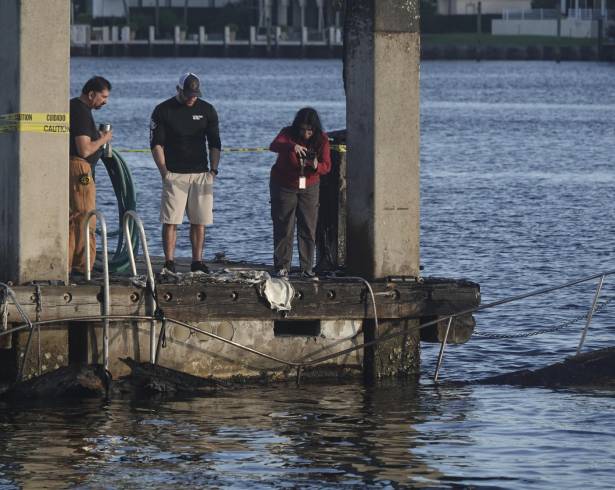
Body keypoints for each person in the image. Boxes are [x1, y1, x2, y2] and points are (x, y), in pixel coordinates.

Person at [150, 72, 221, 274]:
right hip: (174, 173)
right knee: (171, 220)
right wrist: (164, 172)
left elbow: (215, 143)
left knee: (200, 221)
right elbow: (156, 144)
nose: (192, 97)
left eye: (195, 94)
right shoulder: (163, 110)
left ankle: (197, 261)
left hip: (201, 173)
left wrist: (213, 170)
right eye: (188, 93)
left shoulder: (207, 110)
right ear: (178, 89)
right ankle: (169, 261)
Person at [269, 107, 331, 279]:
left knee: (308, 227)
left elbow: (327, 167)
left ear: (315, 129)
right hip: (283, 184)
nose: (305, 134)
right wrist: (292, 146)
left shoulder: (322, 140)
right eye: (302, 129)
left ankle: (306, 268)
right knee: (284, 225)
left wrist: (316, 164)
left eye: (309, 130)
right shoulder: (287, 133)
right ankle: (282, 266)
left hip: (309, 185)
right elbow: (273, 145)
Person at [69, 76, 113, 275]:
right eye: (103, 96)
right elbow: (84, 149)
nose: (105, 101)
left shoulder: (75, 107)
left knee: (73, 217)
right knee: (87, 216)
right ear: (91, 94)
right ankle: (83, 265)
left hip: (74, 169)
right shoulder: (81, 112)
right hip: (80, 170)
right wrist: (103, 139)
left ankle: (71, 262)